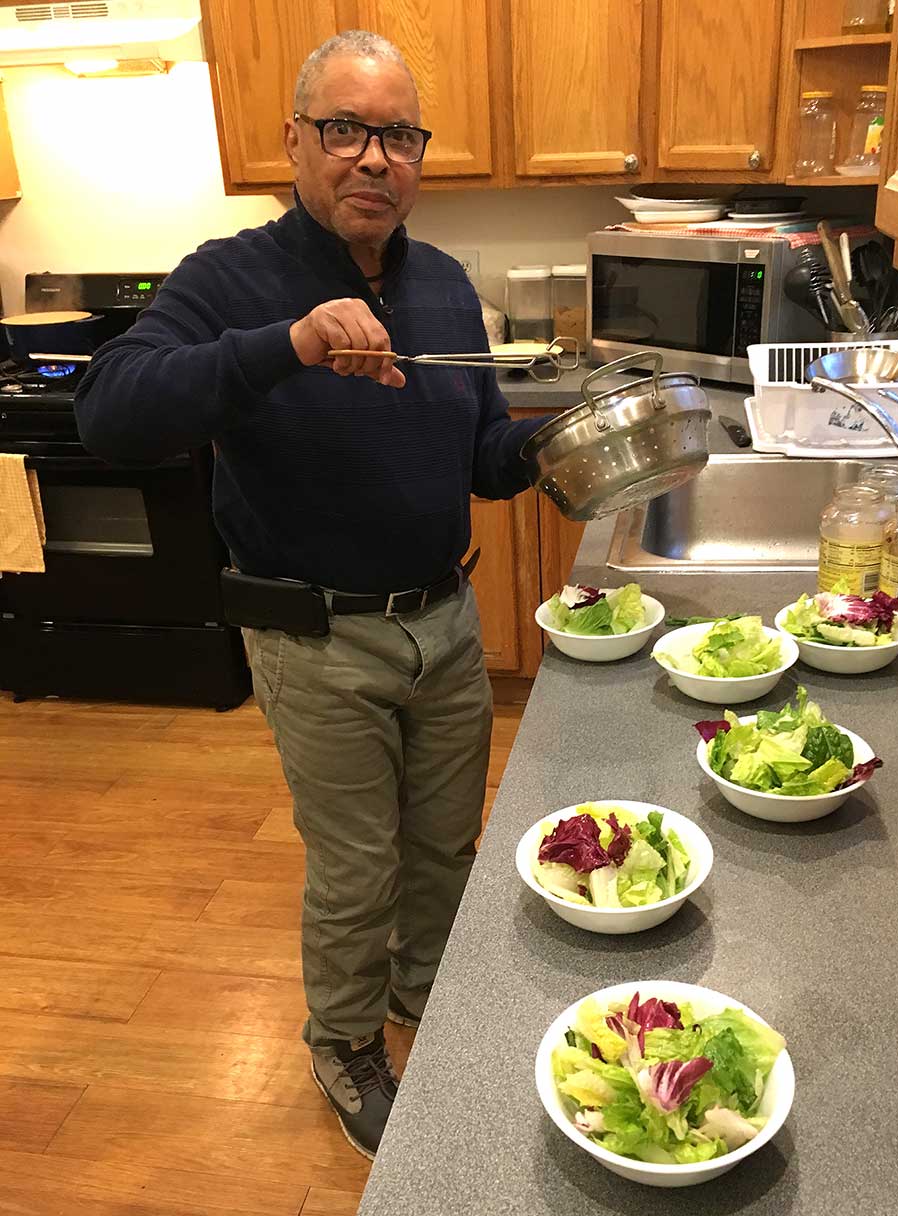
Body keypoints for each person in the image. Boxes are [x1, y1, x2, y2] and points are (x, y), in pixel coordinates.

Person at [74, 29, 546, 1159]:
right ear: (295, 141)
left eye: (396, 135)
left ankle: (427, 995)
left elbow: (478, 460)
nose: (372, 158)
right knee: (357, 862)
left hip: (442, 618)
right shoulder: (228, 279)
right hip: (316, 637)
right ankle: (341, 1040)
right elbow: (110, 411)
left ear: (419, 155)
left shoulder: (441, 286)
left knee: (444, 844)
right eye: (344, 129)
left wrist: (560, 447)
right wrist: (284, 344)